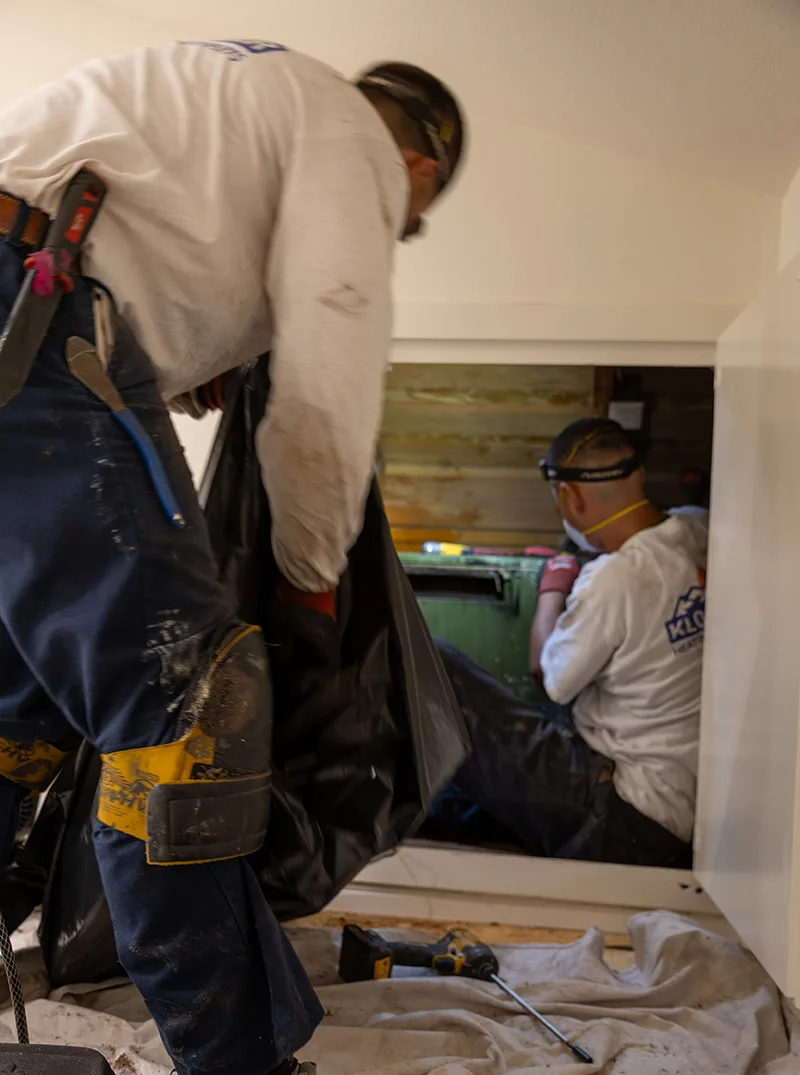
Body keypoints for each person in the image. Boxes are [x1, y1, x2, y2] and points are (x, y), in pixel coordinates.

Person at [0, 39, 464, 1075]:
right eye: (407, 219)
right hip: (34, 304)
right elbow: (330, 358)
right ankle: (235, 1060)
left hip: (21, 314)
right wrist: (309, 575)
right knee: (186, 712)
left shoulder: (232, 94)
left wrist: (186, 360)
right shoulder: (348, 129)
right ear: (418, 169)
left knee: (20, 704)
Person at [429, 417, 707, 868]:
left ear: (570, 496)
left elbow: (547, 676)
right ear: (639, 475)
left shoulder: (615, 579)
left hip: (623, 816)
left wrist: (552, 589)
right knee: (460, 804)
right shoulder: (698, 531)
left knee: (438, 665)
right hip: (679, 803)